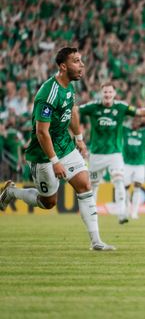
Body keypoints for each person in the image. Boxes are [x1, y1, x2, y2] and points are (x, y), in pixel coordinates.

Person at [0, 47, 115, 251]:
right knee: (48, 202)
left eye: (81, 60)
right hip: (43, 154)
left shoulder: (69, 86)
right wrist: (55, 162)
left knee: (85, 185)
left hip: (65, 146)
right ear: (63, 66)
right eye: (76, 61)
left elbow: (72, 111)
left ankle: (96, 241)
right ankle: (11, 192)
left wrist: (79, 138)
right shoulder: (48, 94)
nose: (82, 65)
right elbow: (41, 132)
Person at [79, 82, 145, 224]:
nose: (107, 94)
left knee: (119, 181)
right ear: (101, 93)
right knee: (93, 186)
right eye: (105, 92)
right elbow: (75, 111)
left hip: (115, 153)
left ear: (114, 94)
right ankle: (91, 215)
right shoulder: (92, 107)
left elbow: (140, 112)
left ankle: (121, 213)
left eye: (110, 92)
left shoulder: (121, 107)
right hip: (96, 153)